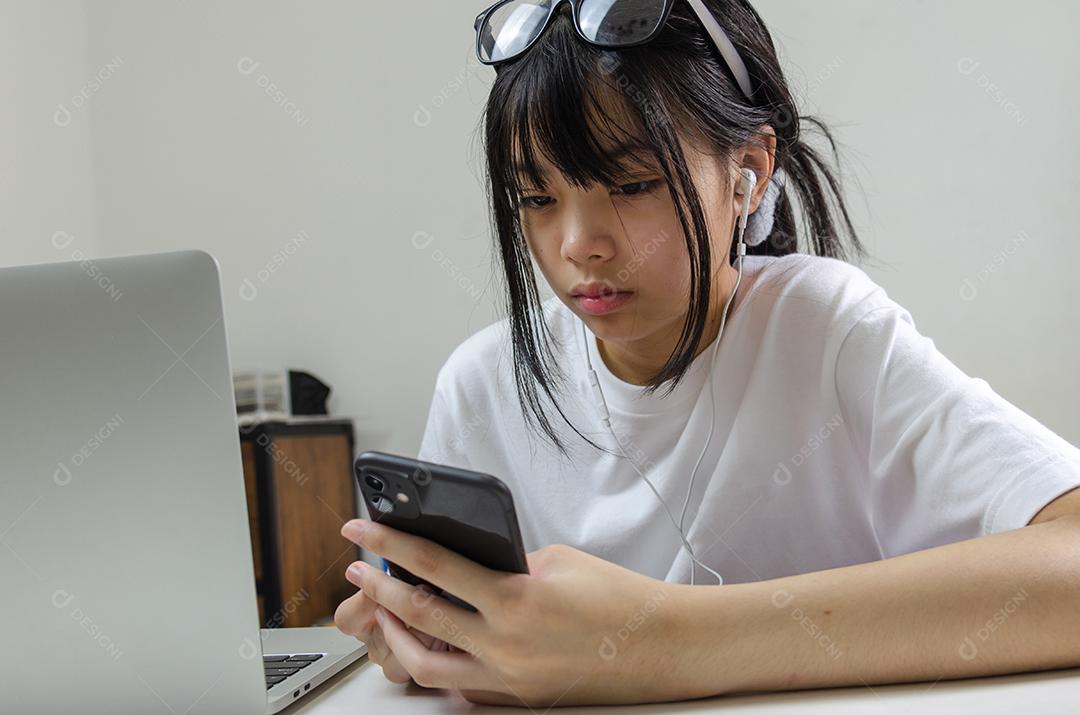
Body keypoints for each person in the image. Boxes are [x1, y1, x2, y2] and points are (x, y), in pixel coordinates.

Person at [335, 0, 1080, 706]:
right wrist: (423, 642)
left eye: (630, 183)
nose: (577, 244)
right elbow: (448, 636)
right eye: (537, 198)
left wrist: (657, 645)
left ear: (748, 173)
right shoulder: (482, 384)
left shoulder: (821, 332)